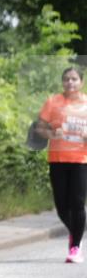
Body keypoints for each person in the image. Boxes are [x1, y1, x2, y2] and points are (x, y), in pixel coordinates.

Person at [36, 66, 87, 264]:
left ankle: (75, 246)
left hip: (81, 160)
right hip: (57, 158)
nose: (70, 82)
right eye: (66, 79)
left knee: (77, 202)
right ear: (62, 82)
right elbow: (40, 128)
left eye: (74, 79)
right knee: (61, 206)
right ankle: (75, 232)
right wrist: (50, 134)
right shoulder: (53, 102)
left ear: (81, 82)